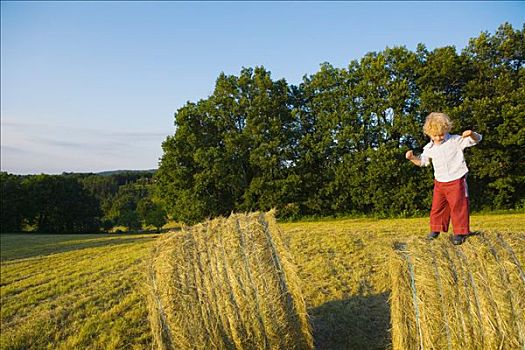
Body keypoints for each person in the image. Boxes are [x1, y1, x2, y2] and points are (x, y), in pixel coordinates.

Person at [405, 112, 482, 245]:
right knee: (437, 207)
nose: (439, 137)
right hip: (440, 182)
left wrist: (471, 134)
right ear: (429, 134)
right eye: (435, 135)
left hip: (456, 179)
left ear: (446, 129)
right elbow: (423, 162)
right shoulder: (429, 148)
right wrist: (412, 158)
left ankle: (460, 232)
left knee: (458, 206)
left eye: (441, 134)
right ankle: (435, 229)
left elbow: (477, 140)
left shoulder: (455, 140)